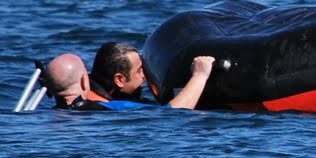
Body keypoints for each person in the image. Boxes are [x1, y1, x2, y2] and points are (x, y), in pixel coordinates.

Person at [81, 41, 216, 110]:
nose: (144, 76)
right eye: (139, 71)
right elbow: (172, 113)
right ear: (120, 80)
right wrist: (200, 76)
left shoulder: (82, 91)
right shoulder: (112, 107)